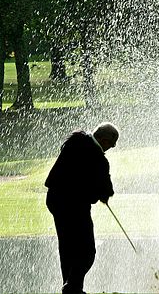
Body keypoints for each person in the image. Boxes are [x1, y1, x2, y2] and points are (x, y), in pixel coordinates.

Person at [45, 122, 119, 294]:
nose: (109, 148)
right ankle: (73, 287)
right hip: (74, 205)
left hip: (55, 200)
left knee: (67, 246)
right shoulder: (98, 158)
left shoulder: (75, 141)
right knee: (87, 251)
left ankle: (71, 287)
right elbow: (107, 189)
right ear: (103, 139)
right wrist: (104, 194)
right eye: (110, 144)